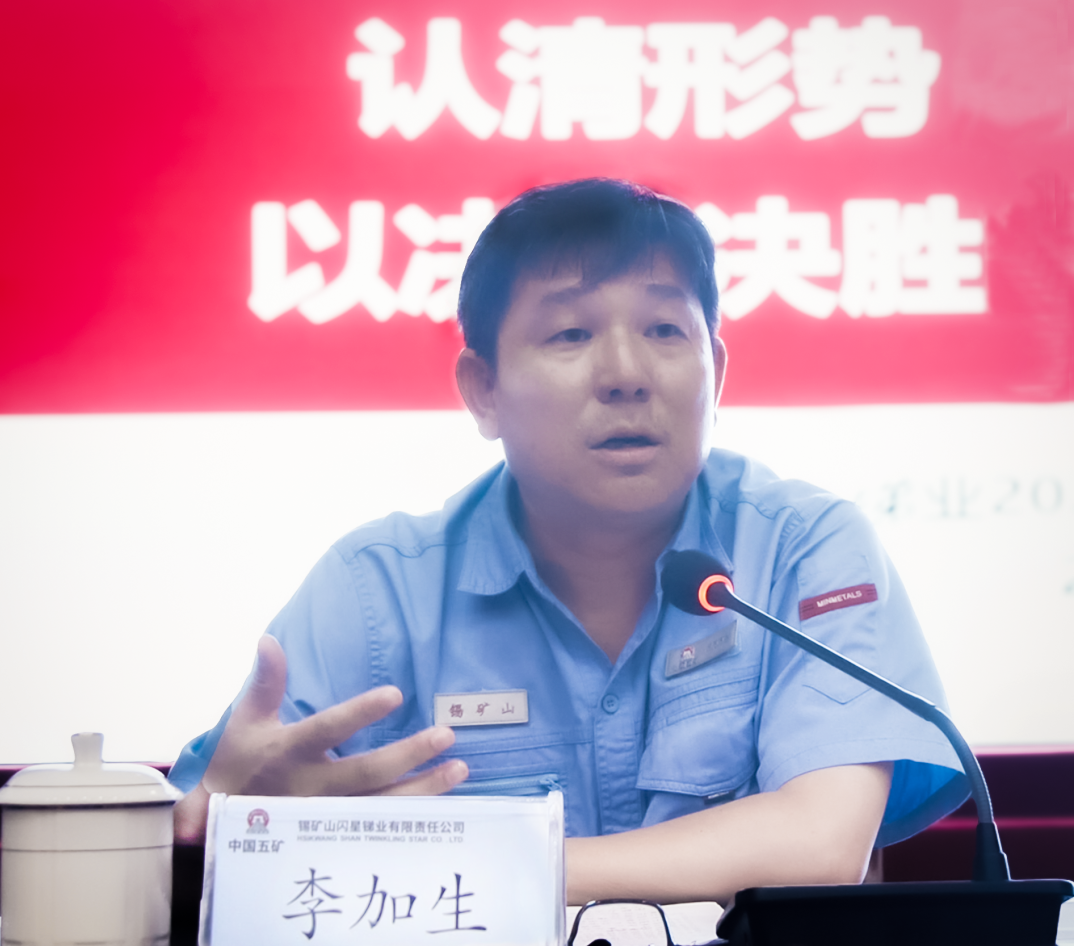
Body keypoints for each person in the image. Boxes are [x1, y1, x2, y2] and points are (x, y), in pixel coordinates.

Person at [170, 179, 968, 905]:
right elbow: (211, 820)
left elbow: (820, 845)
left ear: (716, 372)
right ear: (483, 390)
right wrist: (231, 824)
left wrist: (444, 864)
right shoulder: (375, 593)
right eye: (570, 334)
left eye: (665, 329)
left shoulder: (804, 548)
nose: (625, 373)